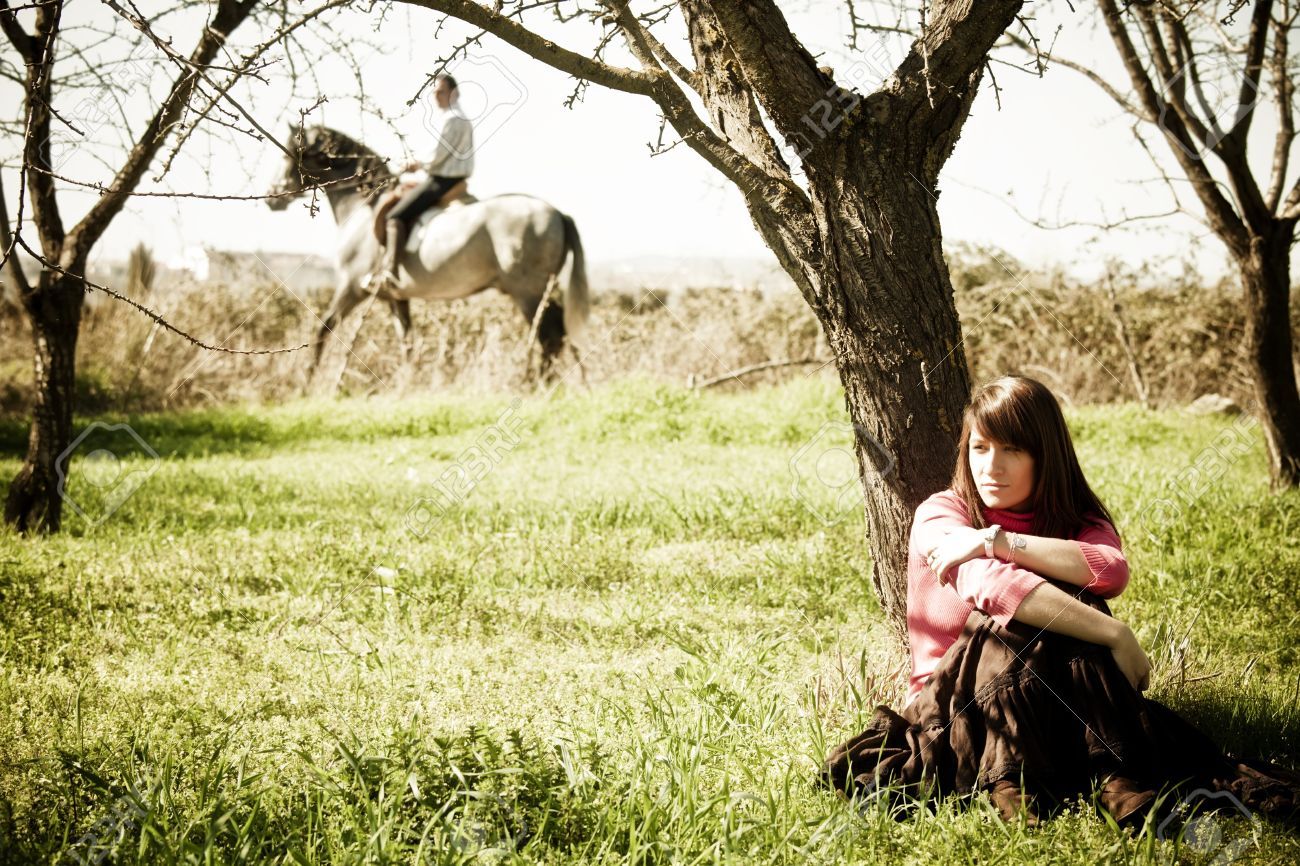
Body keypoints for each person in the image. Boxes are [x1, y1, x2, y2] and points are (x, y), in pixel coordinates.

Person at [820, 375, 1300, 829]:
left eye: (1013, 449)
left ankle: (1107, 780)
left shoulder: (1076, 518)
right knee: (1027, 611)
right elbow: (995, 589)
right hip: (958, 711)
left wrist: (998, 541)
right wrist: (1113, 633)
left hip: (1057, 706)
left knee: (1069, 597)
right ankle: (1026, 779)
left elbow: (1109, 569)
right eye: (980, 449)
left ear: (1045, 455)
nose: (992, 466)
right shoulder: (942, 513)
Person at [373, 71, 474, 291]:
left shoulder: (452, 119)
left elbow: (437, 155)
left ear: (454, 93)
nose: (436, 97)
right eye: (435, 93)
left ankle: (390, 270)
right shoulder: (457, 118)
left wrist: (415, 164)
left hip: (443, 180)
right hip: (444, 177)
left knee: (394, 216)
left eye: (441, 92)